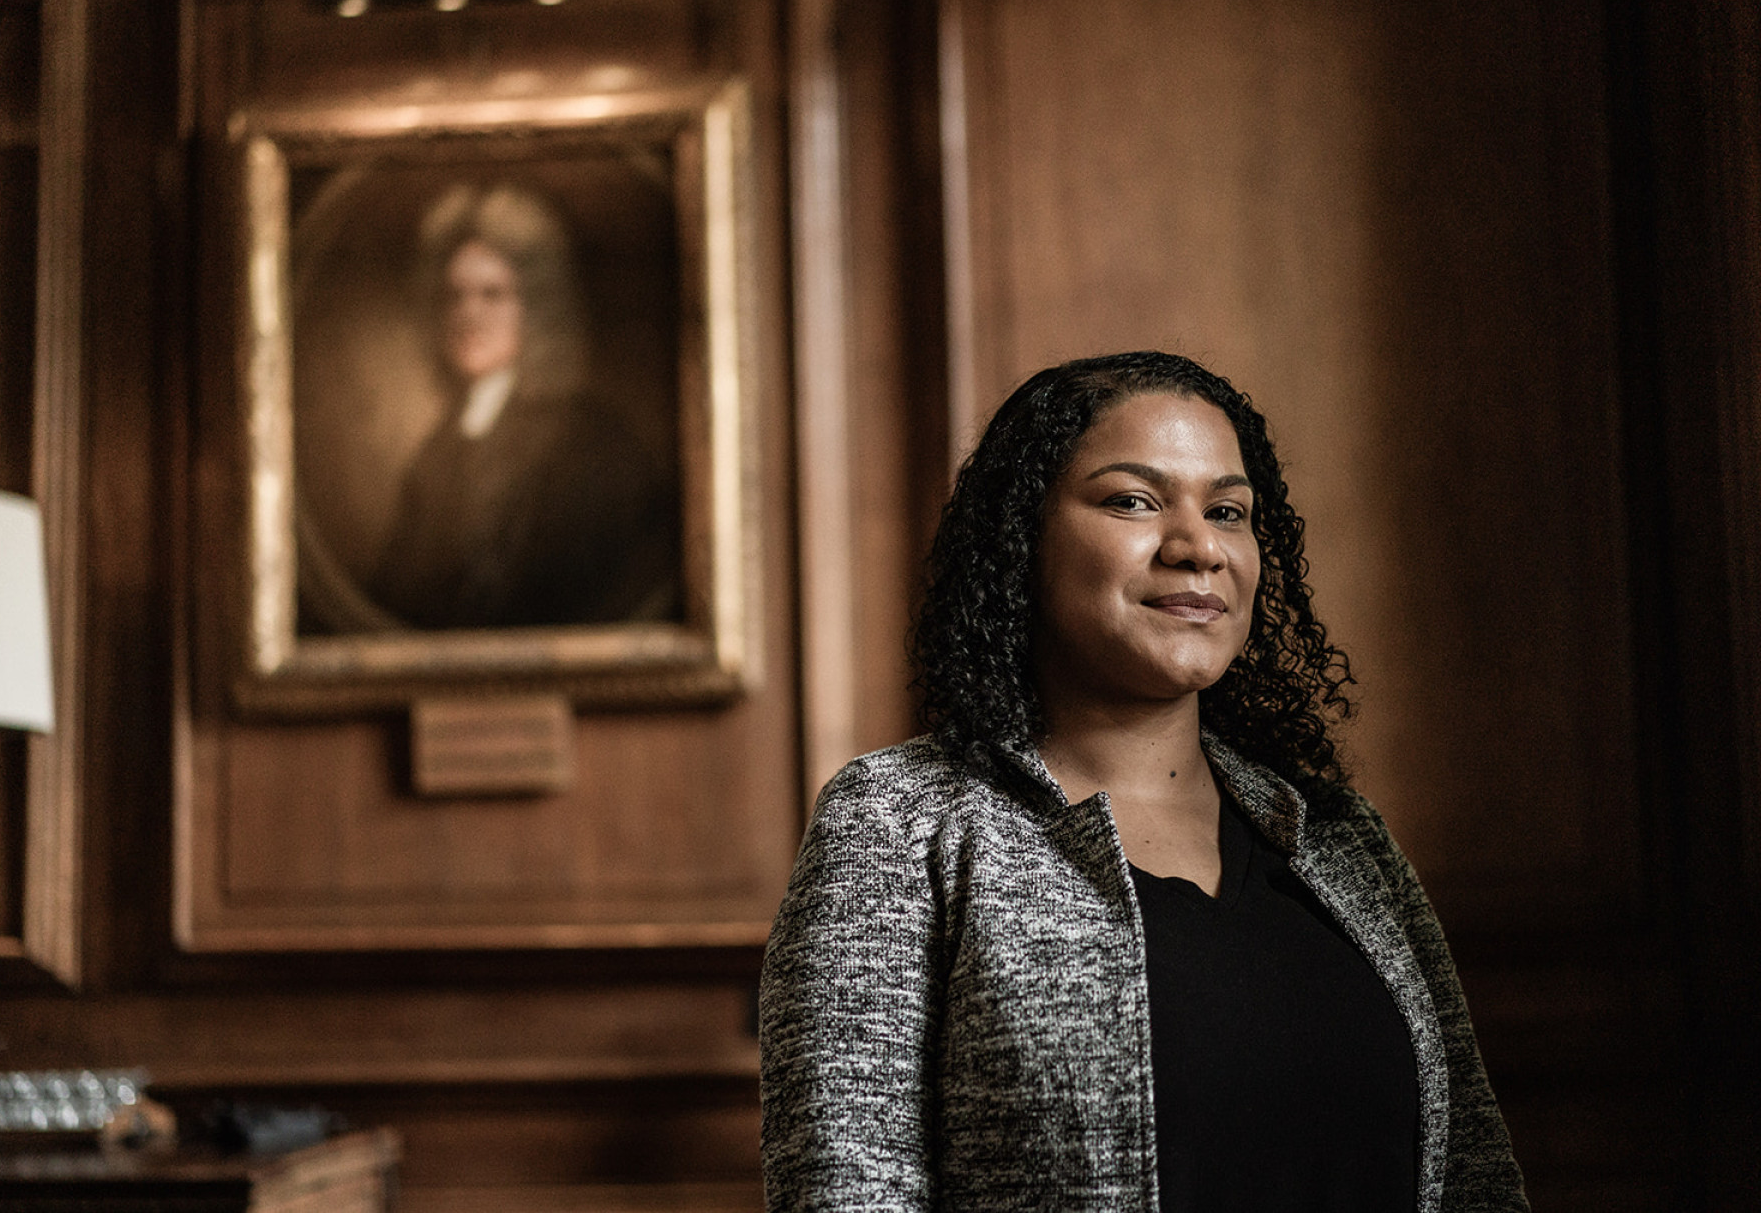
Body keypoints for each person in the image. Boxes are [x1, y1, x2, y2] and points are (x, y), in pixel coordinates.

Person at [759, 352, 1528, 1211]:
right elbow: (847, 1190)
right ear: (1024, 536)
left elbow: (1473, 1180)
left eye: (1228, 512)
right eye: (1133, 500)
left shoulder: (1340, 839)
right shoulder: (901, 825)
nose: (1198, 547)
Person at [367, 185, 678, 630]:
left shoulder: (590, 442)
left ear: (535, 307)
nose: (468, 314)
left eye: (492, 294)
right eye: (455, 295)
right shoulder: (438, 451)